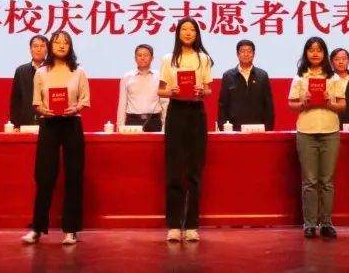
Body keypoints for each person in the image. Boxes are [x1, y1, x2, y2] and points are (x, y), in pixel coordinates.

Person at [23, 31, 91, 245]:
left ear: (70, 47)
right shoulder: (41, 72)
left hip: (72, 124)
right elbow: (36, 102)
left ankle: (71, 230)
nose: (61, 45)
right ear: (50, 46)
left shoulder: (78, 71)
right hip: (49, 124)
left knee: (74, 176)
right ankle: (37, 228)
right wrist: (43, 110)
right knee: (44, 176)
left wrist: (76, 108)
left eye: (65, 42)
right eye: (57, 42)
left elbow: (85, 100)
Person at [158, 17, 213, 243]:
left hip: (196, 113)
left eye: (192, 29)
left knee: (194, 171)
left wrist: (202, 91)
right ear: (178, 33)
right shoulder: (168, 59)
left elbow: (209, 90)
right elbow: (161, 91)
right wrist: (171, 91)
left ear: (197, 34)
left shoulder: (203, 58)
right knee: (174, 170)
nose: (188, 33)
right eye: (184, 29)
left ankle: (191, 225)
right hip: (176, 112)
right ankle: (173, 225)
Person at [290, 37, 346, 238]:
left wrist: (329, 103)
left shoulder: (334, 78)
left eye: (319, 50)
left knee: (327, 181)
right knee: (310, 181)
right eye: (311, 50)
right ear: (306, 53)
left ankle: (326, 223)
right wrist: (303, 103)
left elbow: (342, 105)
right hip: (306, 132)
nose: (315, 53)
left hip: (330, 131)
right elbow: (291, 105)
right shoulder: (299, 78)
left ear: (324, 53)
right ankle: (310, 224)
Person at [217, 39, 274, 131]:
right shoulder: (228, 76)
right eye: (243, 51)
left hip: (258, 128)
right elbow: (223, 104)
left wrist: (268, 127)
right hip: (234, 127)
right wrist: (223, 127)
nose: (246, 54)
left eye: (249, 51)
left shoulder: (262, 75)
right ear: (237, 54)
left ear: (254, 54)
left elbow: (268, 104)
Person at [117, 44, 165, 132]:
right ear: (135, 58)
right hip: (132, 121)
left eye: (146, 55)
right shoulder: (127, 77)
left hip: (154, 121)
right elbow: (122, 104)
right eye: (139, 55)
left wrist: (165, 126)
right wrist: (120, 126)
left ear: (152, 58)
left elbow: (164, 103)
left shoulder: (160, 76)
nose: (142, 58)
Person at [10, 35, 49, 129]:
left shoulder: (52, 70)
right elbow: (16, 100)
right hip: (25, 123)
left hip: (48, 122)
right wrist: (15, 125)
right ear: (30, 49)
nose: (38, 49)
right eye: (35, 46)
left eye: (42, 46)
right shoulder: (21, 71)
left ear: (47, 50)